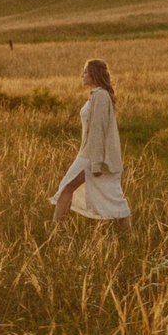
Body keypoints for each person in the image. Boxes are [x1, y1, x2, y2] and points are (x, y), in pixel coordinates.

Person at [50, 58, 129, 229]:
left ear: (93, 74)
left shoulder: (101, 96)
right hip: (88, 153)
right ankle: (57, 232)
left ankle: (56, 232)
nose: (82, 75)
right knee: (111, 196)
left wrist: (96, 164)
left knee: (68, 188)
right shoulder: (97, 95)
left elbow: (98, 131)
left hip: (90, 156)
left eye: (85, 72)